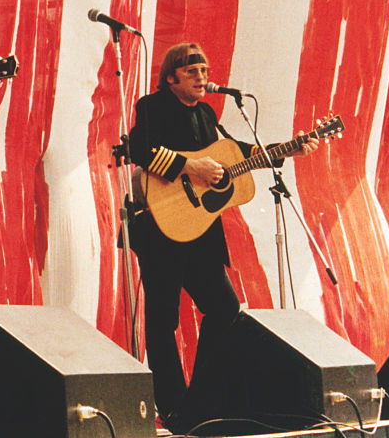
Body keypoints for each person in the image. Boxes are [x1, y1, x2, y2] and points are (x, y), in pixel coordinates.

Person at [127, 42, 317, 432]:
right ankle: (173, 407)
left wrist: (286, 151)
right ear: (171, 78)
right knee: (163, 322)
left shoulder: (208, 113)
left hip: (202, 235)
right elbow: (139, 148)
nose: (202, 77)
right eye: (193, 71)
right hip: (161, 229)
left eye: (205, 70)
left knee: (226, 312)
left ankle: (203, 398)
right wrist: (191, 165)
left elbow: (235, 153)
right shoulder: (152, 106)